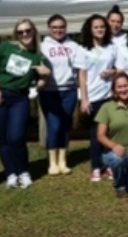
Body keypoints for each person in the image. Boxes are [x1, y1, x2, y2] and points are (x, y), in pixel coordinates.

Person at [0, 18, 50, 189]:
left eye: (28, 31)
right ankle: (10, 173)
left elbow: (39, 86)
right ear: (16, 34)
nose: (24, 34)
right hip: (0, 96)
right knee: (3, 139)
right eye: (21, 32)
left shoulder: (37, 56)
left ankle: (23, 171)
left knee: (16, 137)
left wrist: (46, 76)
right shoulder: (4, 48)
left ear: (34, 32)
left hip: (20, 98)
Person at [39, 14, 89, 176]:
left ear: (65, 28)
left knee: (66, 125)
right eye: (54, 27)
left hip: (69, 90)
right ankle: (52, 162)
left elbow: (81, 69)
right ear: (49, 29)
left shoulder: (74, 46)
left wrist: (82, 92)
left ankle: (63, 160)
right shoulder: (42, 46)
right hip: (49, 91)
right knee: (54, 125)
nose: (58, 30)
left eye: (61, 27)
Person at [79, 14, 118, 182]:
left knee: (108, 133)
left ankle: (108, 164)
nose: (100, 29)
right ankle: (96, 166)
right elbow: (81, 75)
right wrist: (84, 99)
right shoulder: (83, 49)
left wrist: (112, 72)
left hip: (108, 95)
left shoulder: (112, 47)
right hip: (92, 96)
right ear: (90, 29)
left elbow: (119, 68)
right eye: (96, 27)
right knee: (95, 134)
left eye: (102, 26)